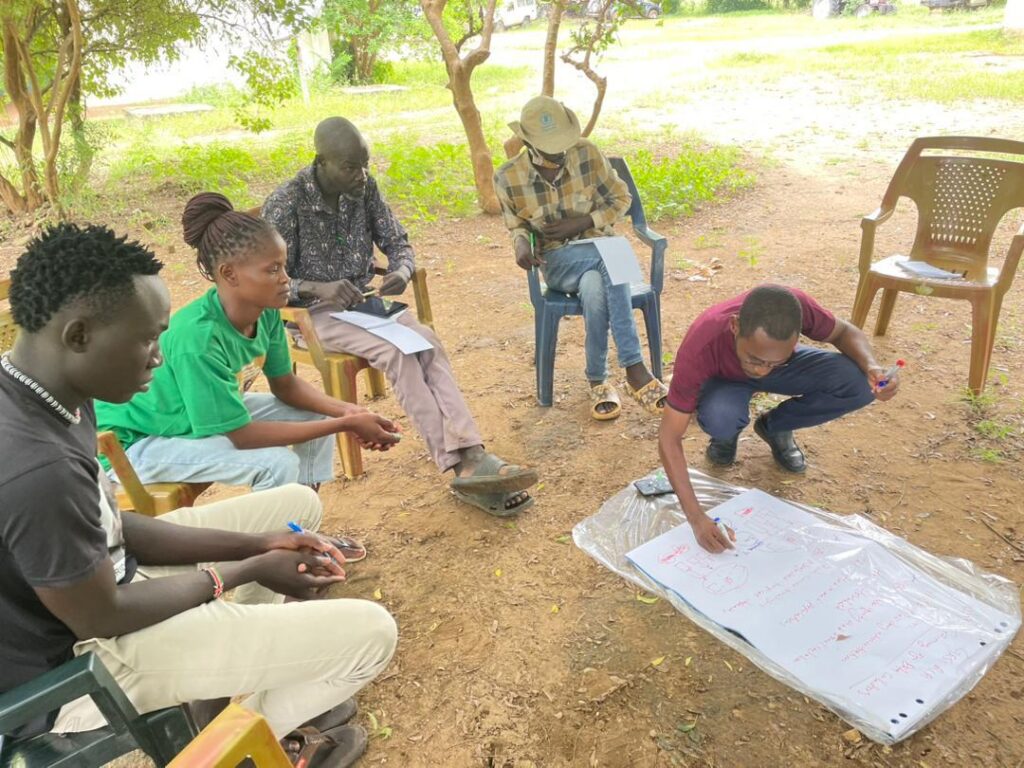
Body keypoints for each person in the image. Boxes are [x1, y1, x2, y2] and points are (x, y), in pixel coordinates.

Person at [0, 223, 396, 766]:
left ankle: (227, 696)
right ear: (79, 335)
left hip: (98, 585)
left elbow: (108, 528)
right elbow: (104, 616)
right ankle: (234, 748)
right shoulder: (34, 465)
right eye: (147, 339)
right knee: (370, 634)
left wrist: (259, 544)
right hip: (73, 672)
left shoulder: (50, 391)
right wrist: (245, 568)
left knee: (295, 507)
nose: (158, 357)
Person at [263, 116, 537, 518]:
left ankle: (473, 449)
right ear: (321, 162)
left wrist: (401, 271)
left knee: (425, 340)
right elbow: (267, 281)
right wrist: (317, 288)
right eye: (350, 167)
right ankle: (459, 465)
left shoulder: (363, 189)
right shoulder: (286, 204)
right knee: (398, 354)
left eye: (365, 165)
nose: (361, 175)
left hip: (363, 304)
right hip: (312, 314)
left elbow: (398, 240)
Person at [96, 192, 402, 494]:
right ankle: (280, 539)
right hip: (136, 443)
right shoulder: (199, 338)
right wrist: (345, 425)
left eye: (283, 266)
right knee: (275, 464)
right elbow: (241, 436)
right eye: (272, 269)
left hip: (192, 418)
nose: (285, 279)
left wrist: (350, 413)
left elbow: (286, 385)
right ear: (229, 274)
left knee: (316, 412)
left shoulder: (266, 312)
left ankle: (303, 520)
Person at [658, 285, 900, 554]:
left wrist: (871, 366)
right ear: (735, 326)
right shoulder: (702, 343)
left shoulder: (795, 307)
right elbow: (669, 437)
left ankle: (776, 426)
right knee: (721, 415)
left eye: (775, 360)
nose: (762, 371)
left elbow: (844, 331)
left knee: (857, 384)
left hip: (787, 370)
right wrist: (695, 518)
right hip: (725, 382)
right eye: (755, 359)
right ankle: (726, 434)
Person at [494, 95, 669, 422]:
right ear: (529, 143)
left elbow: (622, 197)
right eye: (550, 147)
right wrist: (520, 246)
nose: (559, 152)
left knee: (595, 285)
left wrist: (584, 222)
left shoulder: (586, 153)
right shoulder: (507, 177)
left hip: (599, 253)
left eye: (562, 144)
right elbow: (517, 226)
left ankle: (597, 379)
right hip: (558, 261)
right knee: (615, 253)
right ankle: (634, 366)